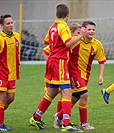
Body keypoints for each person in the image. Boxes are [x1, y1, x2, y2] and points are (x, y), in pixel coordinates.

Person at [28, 4, 86, 132]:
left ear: (56, 15)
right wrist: (80, 36)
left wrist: (56, 47)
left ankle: (36, 117)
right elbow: (67, 43)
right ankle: (66, 123)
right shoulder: (63, 26)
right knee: (67, 92)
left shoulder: (52, 26)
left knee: (51, 93)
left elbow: (46, 41)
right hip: (59, 61)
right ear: (68, 15)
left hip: (53, 60)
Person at [53, 21, 106, 130]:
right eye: (89, 29)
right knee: (84, 94)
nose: (92, 31)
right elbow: (62, 48)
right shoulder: (76, 41)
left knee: (75, 97)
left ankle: (59, 116)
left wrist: (101, 76)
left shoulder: (97, 44)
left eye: (93, 29)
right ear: (83, 30)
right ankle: (84, 123)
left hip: (85, 75)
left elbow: (101, 61)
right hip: (73, 72)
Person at [0, 14, 20, 131]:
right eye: (8, 23)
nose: (11, 25)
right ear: (2, 26)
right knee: (2, 98)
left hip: (12, 74)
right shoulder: (1, 39)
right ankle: (1, 124)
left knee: (11, 98)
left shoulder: (16, 36)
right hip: (2, 73)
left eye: (12, 22)